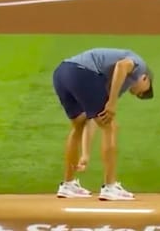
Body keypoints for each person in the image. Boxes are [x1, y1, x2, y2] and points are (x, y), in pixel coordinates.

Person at [52, 47, 154, 201]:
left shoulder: (115, 83)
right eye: (142, 91)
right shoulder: (139, 65)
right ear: (145, 78)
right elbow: (121, 66)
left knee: (79, 125)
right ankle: (110, 187)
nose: (138, 94)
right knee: (111, 127)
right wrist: (112, 103)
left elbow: (93, 118)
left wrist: (86, 154)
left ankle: (68, 184)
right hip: (82, 73)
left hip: (62, 73)